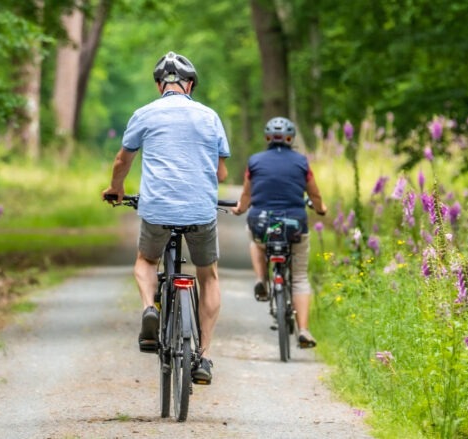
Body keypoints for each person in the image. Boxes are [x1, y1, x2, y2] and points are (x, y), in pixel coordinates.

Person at [102, 51, 230, 384]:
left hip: (157, 208)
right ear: (190, 85)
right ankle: (204, 356)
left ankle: (149, 308)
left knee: (146, 260)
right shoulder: (209, 116)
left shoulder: (144, 114)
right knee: (209, 275)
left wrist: (117, 189)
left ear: (160, 85)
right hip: (201, 210)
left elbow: (121, 161)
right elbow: (222, 171)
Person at [231, 116, 326, 349]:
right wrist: (321, 209)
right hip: (294, 225)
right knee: (300, 277)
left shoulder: (254, 161)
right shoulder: (302, 162)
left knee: (255, 240)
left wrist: (240, 209)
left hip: (262, 223)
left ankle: (261, 279)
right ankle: (303, 330)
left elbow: (246, 195)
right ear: (290, 139)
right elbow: (314, 195)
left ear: (267, 138)